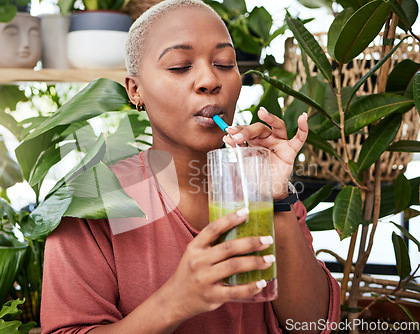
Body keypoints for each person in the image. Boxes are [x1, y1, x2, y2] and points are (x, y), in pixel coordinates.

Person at [40, 0, 340, 332]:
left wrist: (274, 198)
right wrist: (177, 300)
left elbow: (312, 325)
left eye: (225, 63)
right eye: (181, 66)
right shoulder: (92, 204)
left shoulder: (266, 191)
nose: (210, 79)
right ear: (135, 90)